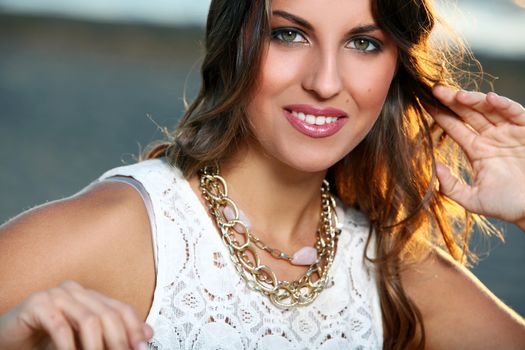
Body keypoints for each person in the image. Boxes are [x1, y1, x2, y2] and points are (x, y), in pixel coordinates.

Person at [1, 0, 524, 348]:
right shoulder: (118, 231)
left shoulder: (394, 269)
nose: (324, 82)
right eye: (289, 35)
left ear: (395, 66)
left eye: (363, 43)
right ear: (235, 45)